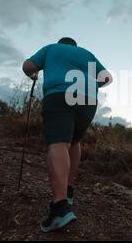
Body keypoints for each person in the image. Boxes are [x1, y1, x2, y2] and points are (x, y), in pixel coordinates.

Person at [22, 37, 112, 233]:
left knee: (58, 143)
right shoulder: (87, 54)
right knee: (74, 141)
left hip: (59, 95)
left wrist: (33, 74)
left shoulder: (51, 48)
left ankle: (60, 208)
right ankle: (68, 189)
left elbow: (28, 66)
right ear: (75, 46)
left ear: (61, 43)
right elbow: (107, 78)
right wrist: (92, 84)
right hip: (88, 98)